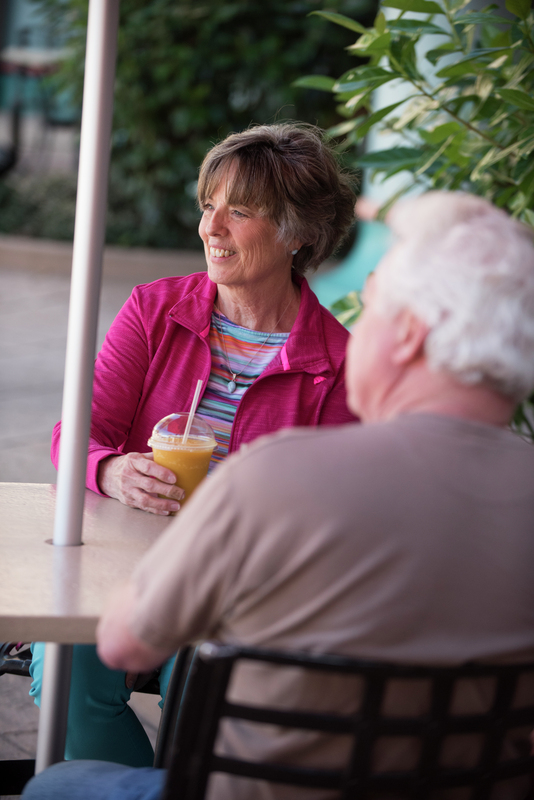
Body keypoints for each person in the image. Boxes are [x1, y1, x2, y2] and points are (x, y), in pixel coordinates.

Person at [23, 190, 534, 800]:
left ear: (405, 336)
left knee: (60, 785)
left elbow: (123, 640)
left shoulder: (278, 473)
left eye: (368, 312)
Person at [29, 122, 359, 766]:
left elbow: (342, 512)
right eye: (209, 206)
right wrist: (113, 468)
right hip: (124, 558)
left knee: (207, 703)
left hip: (250, 580)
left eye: (240, 212)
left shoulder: (341, 363)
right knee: (67, 678)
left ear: (299, 233)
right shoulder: (154, 310)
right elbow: (78, 433)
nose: (212, 228)